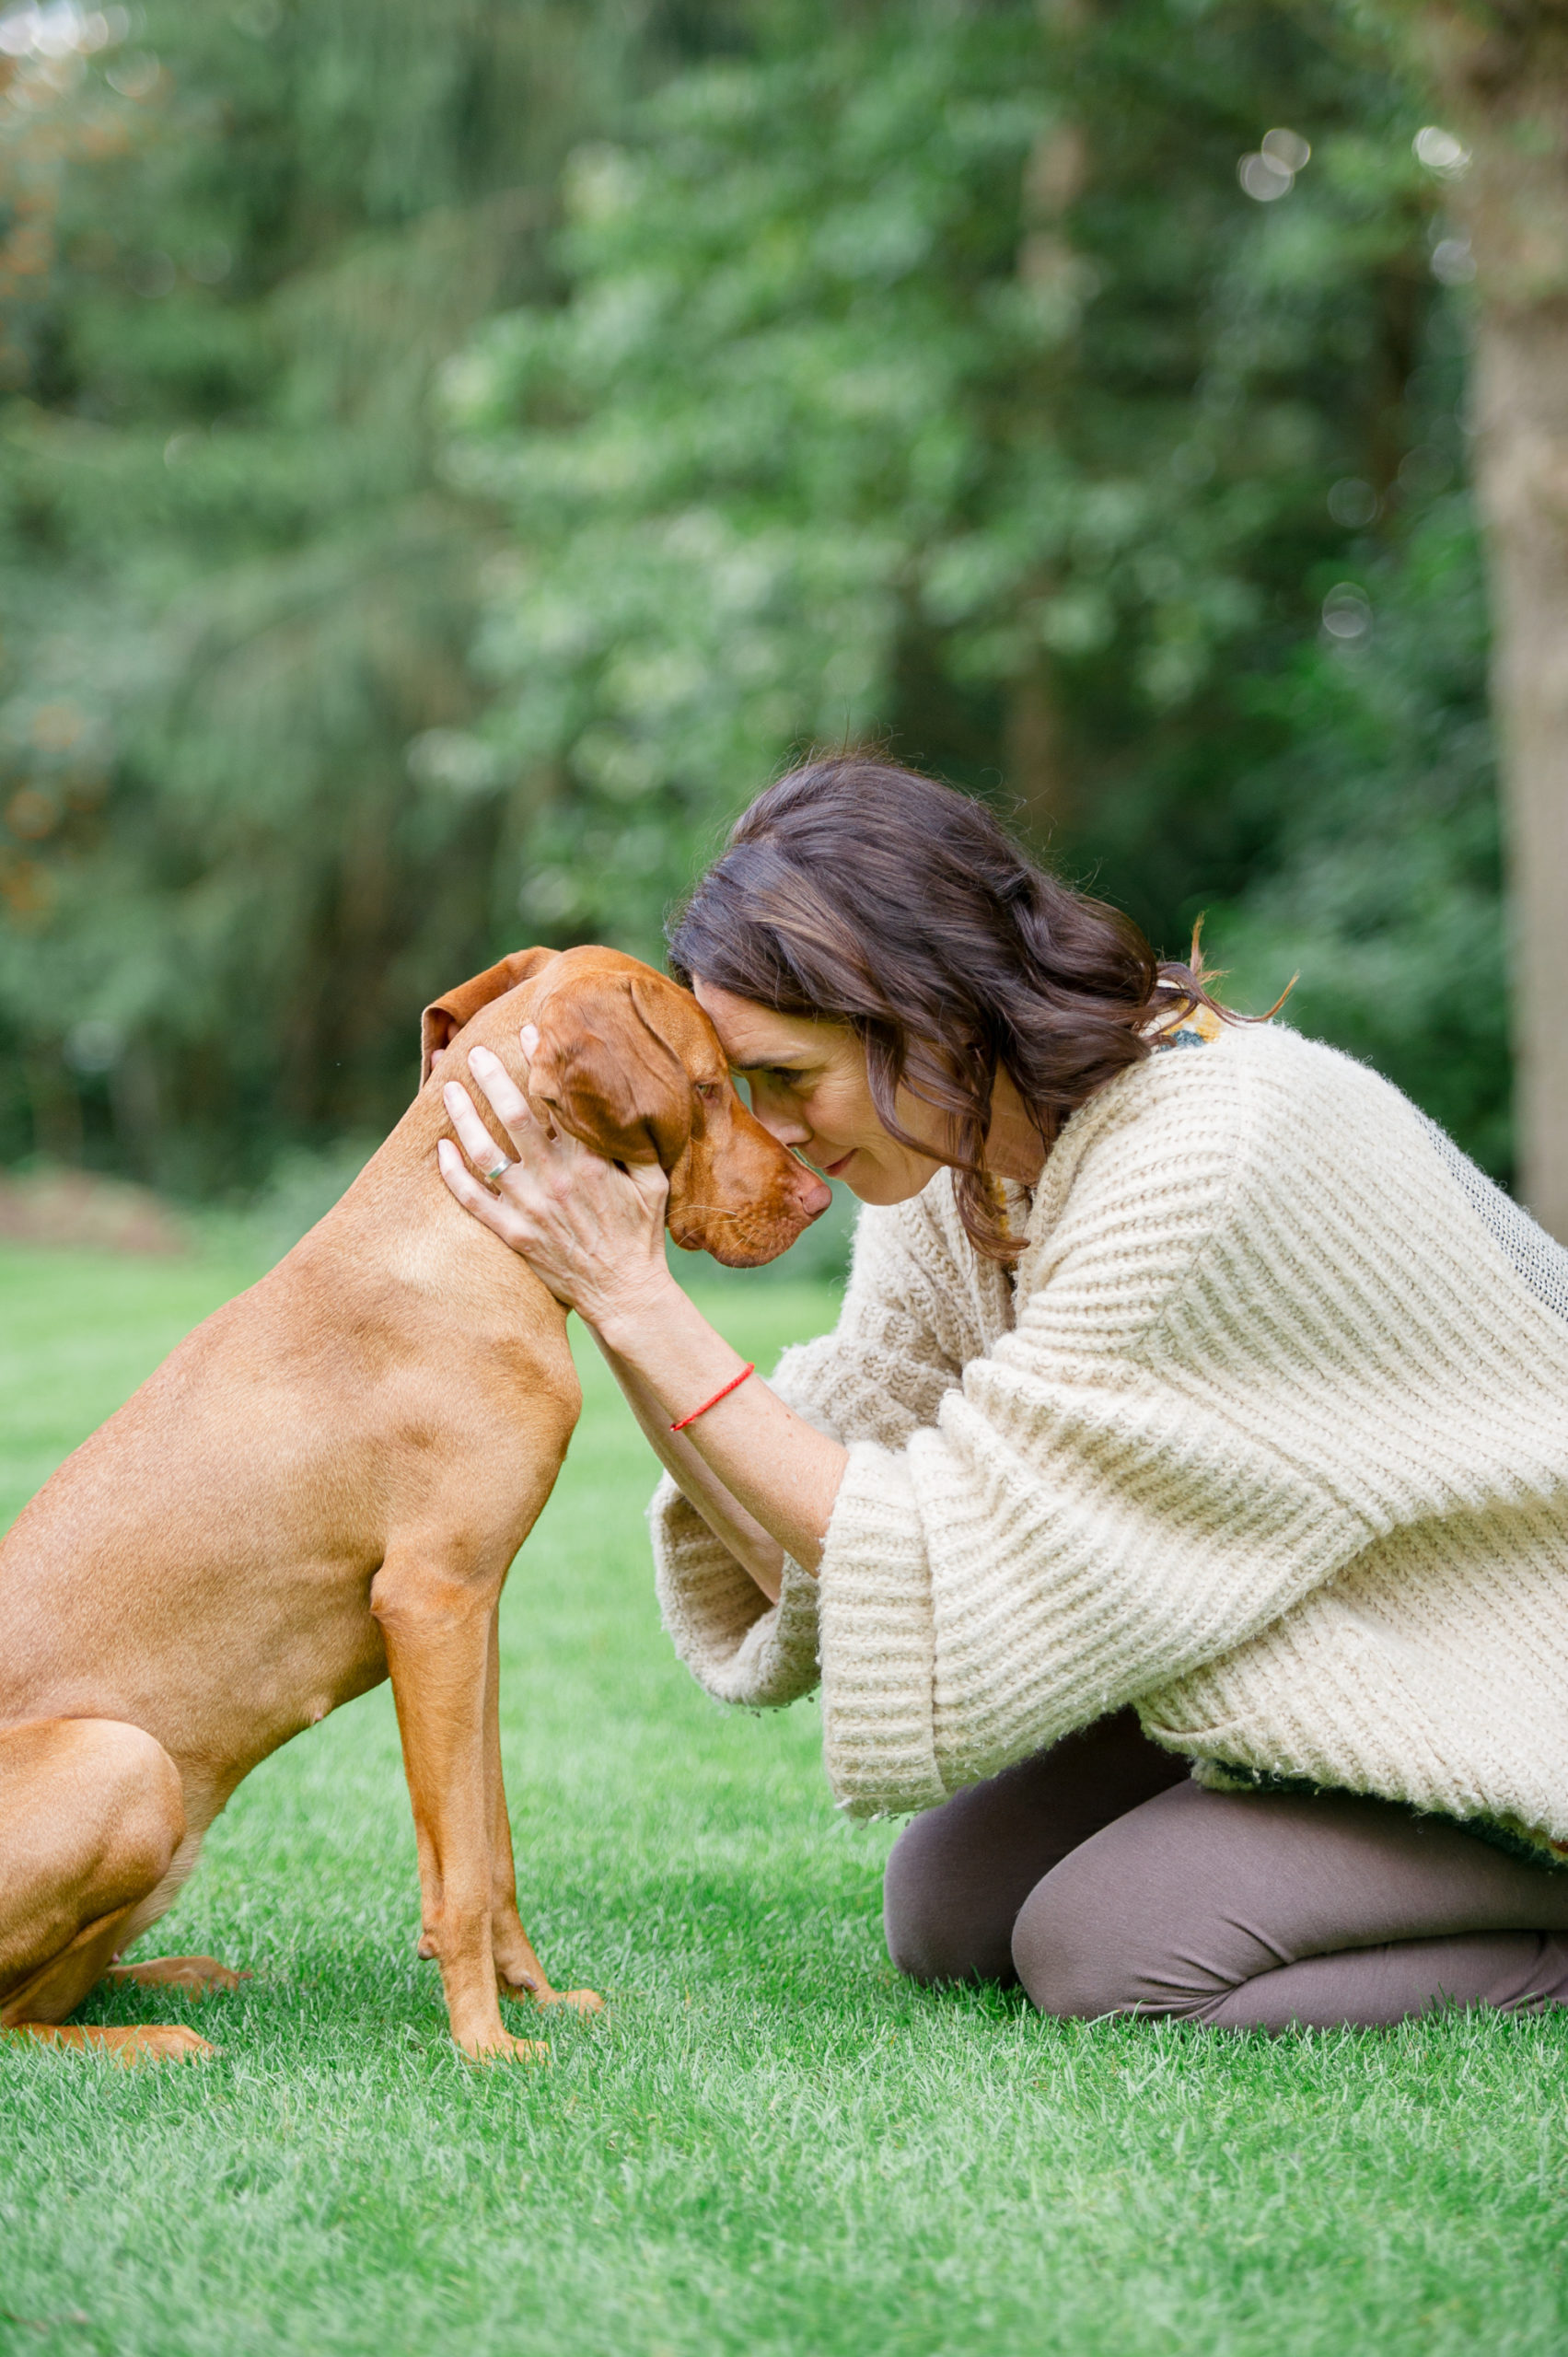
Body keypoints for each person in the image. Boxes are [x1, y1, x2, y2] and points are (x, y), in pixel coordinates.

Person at [437, 755, 1568, 2031]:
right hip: (1322, 1620)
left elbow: (950, 1541)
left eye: (787, 1080)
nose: (777, 1131)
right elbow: (821, 1491)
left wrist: (638, 1299)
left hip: (1507, 1669)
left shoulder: (1204, 1153)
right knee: (949, 1908)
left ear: (919, 1009)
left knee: (1107, 1955)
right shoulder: (961, 1162)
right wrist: (611, 1294)